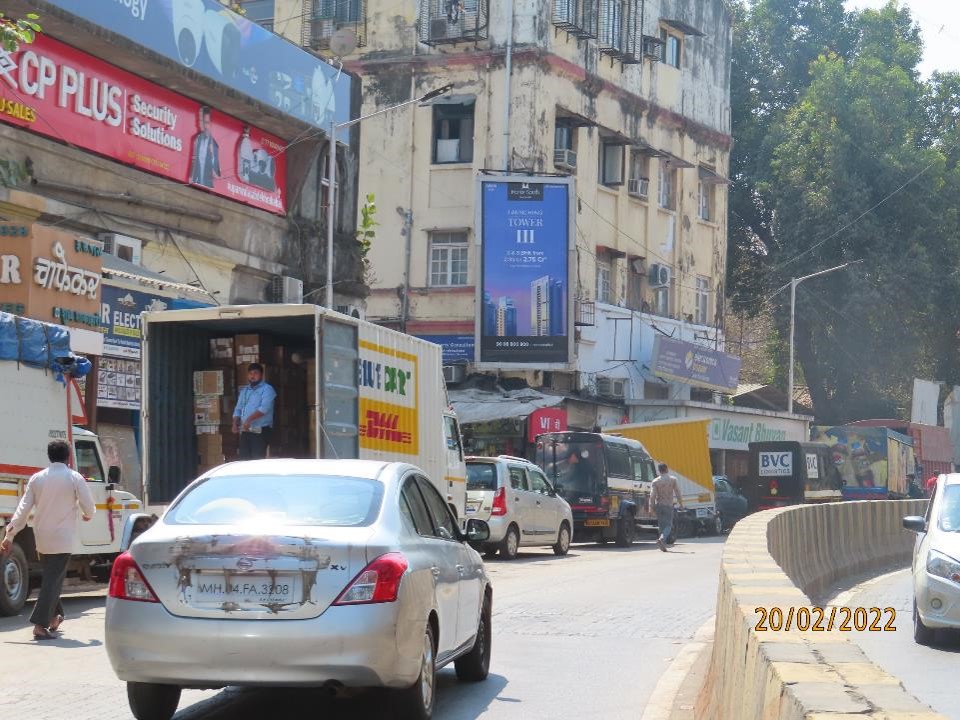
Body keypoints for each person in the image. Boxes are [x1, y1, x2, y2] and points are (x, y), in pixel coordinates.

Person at [0, 440, 95, 640]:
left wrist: (10, 535)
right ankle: (40, 625)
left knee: (52, 578)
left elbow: (22, 510)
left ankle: (55, 617)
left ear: (49, 456)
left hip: (41, 538)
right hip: (63, 538)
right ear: (68, 456)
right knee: (53, 580)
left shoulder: (37, 478)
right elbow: (89, 506)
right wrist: (88, 514)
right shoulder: (74, 478)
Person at [233, 363, 277, 460]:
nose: (252, 376)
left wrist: (249, 420)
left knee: (257, 460)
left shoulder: (267, 389)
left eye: (255, 373)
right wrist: (235, 422)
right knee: (244, 459)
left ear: (261, 375)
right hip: (246, 430)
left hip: (260, 431)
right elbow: (238, 408)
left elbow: (264, 409)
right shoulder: (244, 391)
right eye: (250, 373)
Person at [649, 462, 684, 552]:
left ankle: (662, 545)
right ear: (667, 469)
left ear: (659, 470)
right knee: (668, 525)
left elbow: (652, 495)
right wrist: (681, 504)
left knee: (661, 525)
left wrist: (651, 508)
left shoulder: (655, 481)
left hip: (659, 505)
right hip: (668, 505)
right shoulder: (672, 480)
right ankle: (662, 538)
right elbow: (677, 492)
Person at [189, 106, 221, 188]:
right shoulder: (197, 139)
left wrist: (212, 157)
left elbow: (217, 175)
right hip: (195, 183)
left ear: (210, 124)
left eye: (206, 122)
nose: (203, 125)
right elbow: (194, 162)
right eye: (201, 121)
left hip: (207, 187)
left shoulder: (214, 145)